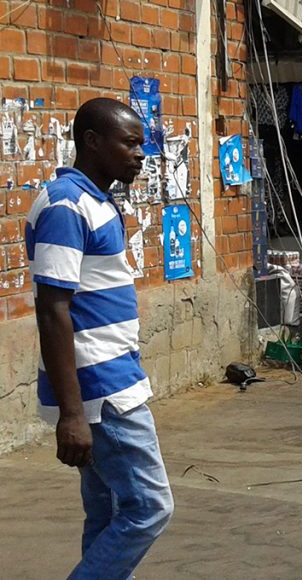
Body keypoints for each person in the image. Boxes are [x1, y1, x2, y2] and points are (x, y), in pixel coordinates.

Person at [26, 98, 173, 578]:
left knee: (109, 512)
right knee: (150, 507)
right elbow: (52, 309)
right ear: (92, 142)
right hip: (101, 389)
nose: (140, 153)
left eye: (141, 143)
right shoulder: (67, 205)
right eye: (129, 143)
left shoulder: (96, 200)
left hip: (111, 377)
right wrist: (72, 414)